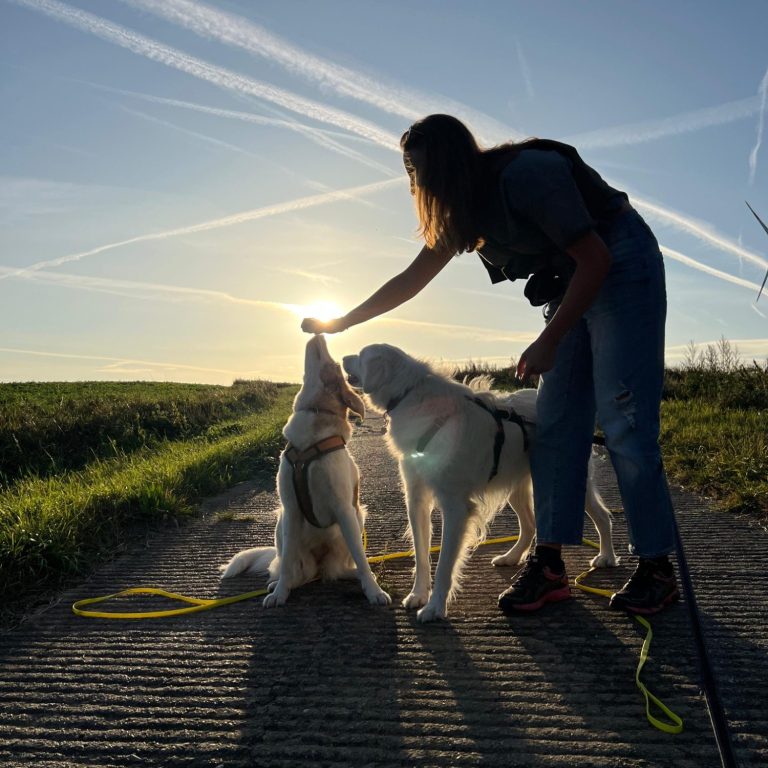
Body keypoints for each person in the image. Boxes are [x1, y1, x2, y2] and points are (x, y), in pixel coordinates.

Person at [301, 113, 679, 616]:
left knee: (622, 418)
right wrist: (342, 321)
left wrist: (549, 338)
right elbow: (411, 279)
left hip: (620, 262)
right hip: (573, 278)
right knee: (558, 423)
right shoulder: (464, 212)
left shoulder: (526, 176)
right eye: (409, 171)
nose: (414, 181)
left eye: (418, 169)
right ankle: (549, 564)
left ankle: (657, 566)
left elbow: (596, 258)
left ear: (450, 162)